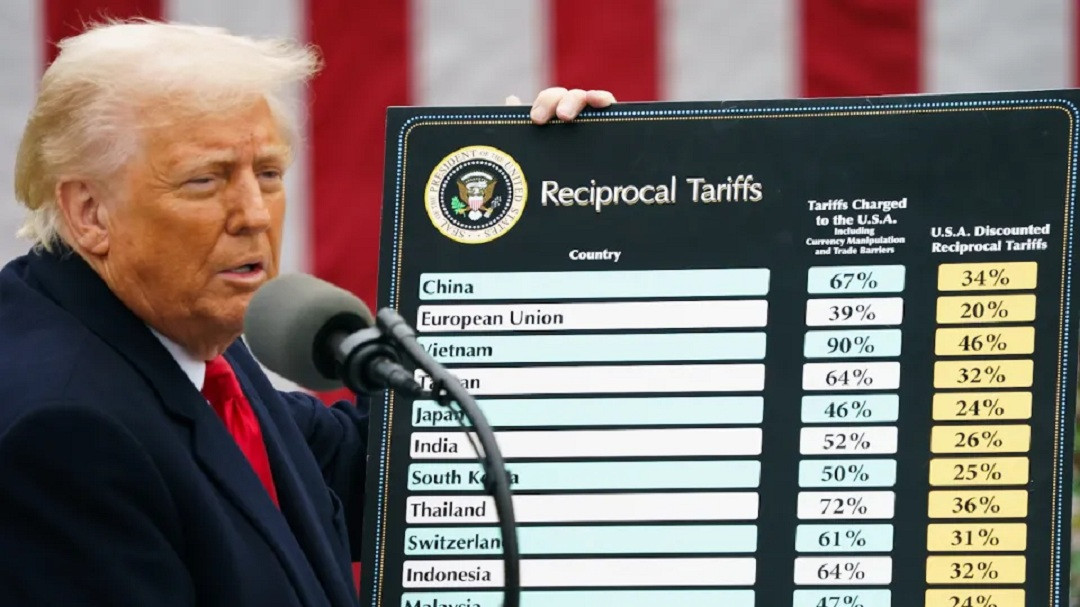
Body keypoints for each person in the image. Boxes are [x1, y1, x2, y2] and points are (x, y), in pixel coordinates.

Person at [0, 20, 614, 606]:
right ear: (90, 212)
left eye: (268, 173)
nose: (254, 214)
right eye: (205, 181)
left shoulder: (173, 331)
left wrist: (533, 221)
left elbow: (386, 472)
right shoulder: (64, 430)